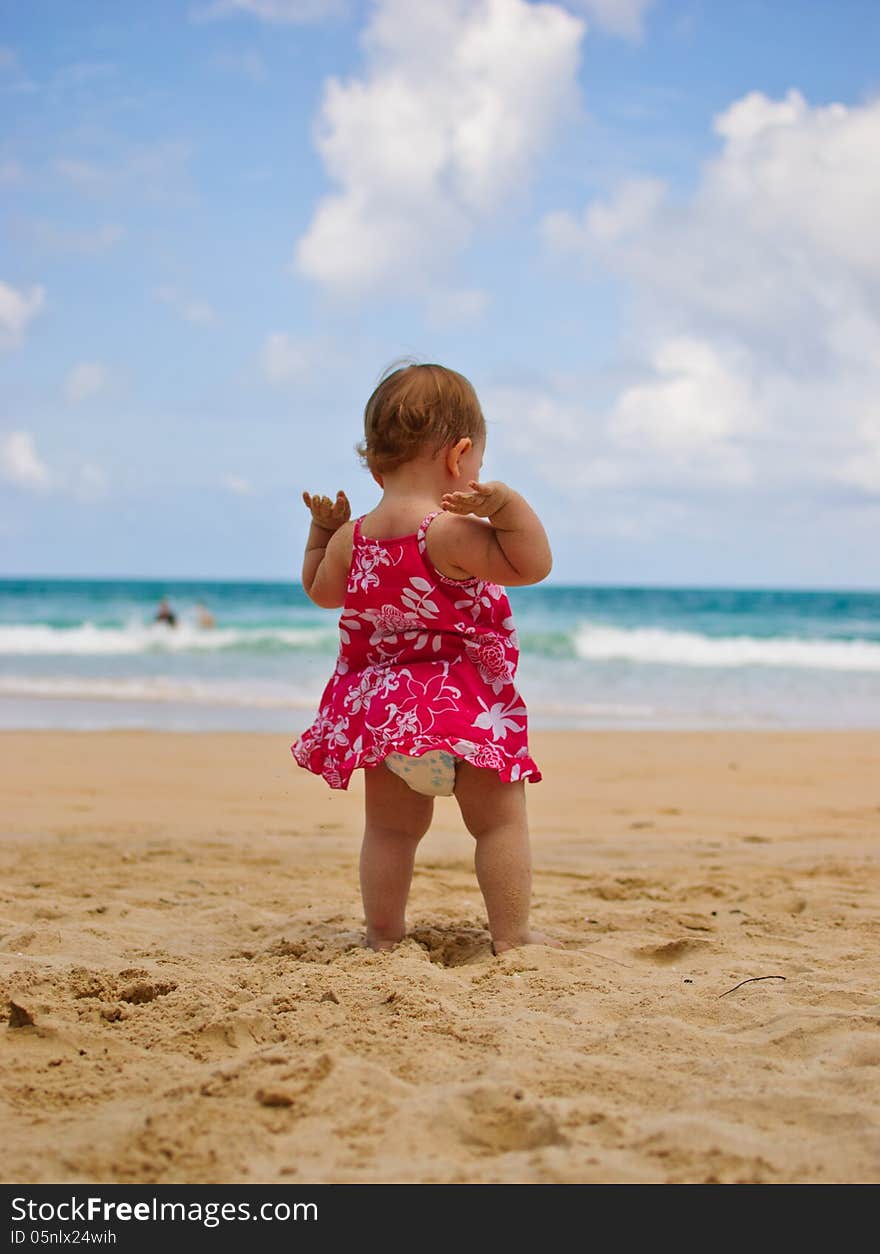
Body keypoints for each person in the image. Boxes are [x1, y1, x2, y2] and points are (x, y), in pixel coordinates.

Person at [291, 362, 554, 955]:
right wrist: (506, 507)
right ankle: (512, 938)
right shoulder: (448, 531)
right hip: (458, 707)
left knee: (389, 830)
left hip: (386, 714)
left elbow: (321, 591)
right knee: (498, 823)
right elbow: (531, 565)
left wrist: (318, 532)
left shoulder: (351, 538)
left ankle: (383, 936)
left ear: (374, 461)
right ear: (460, 457)